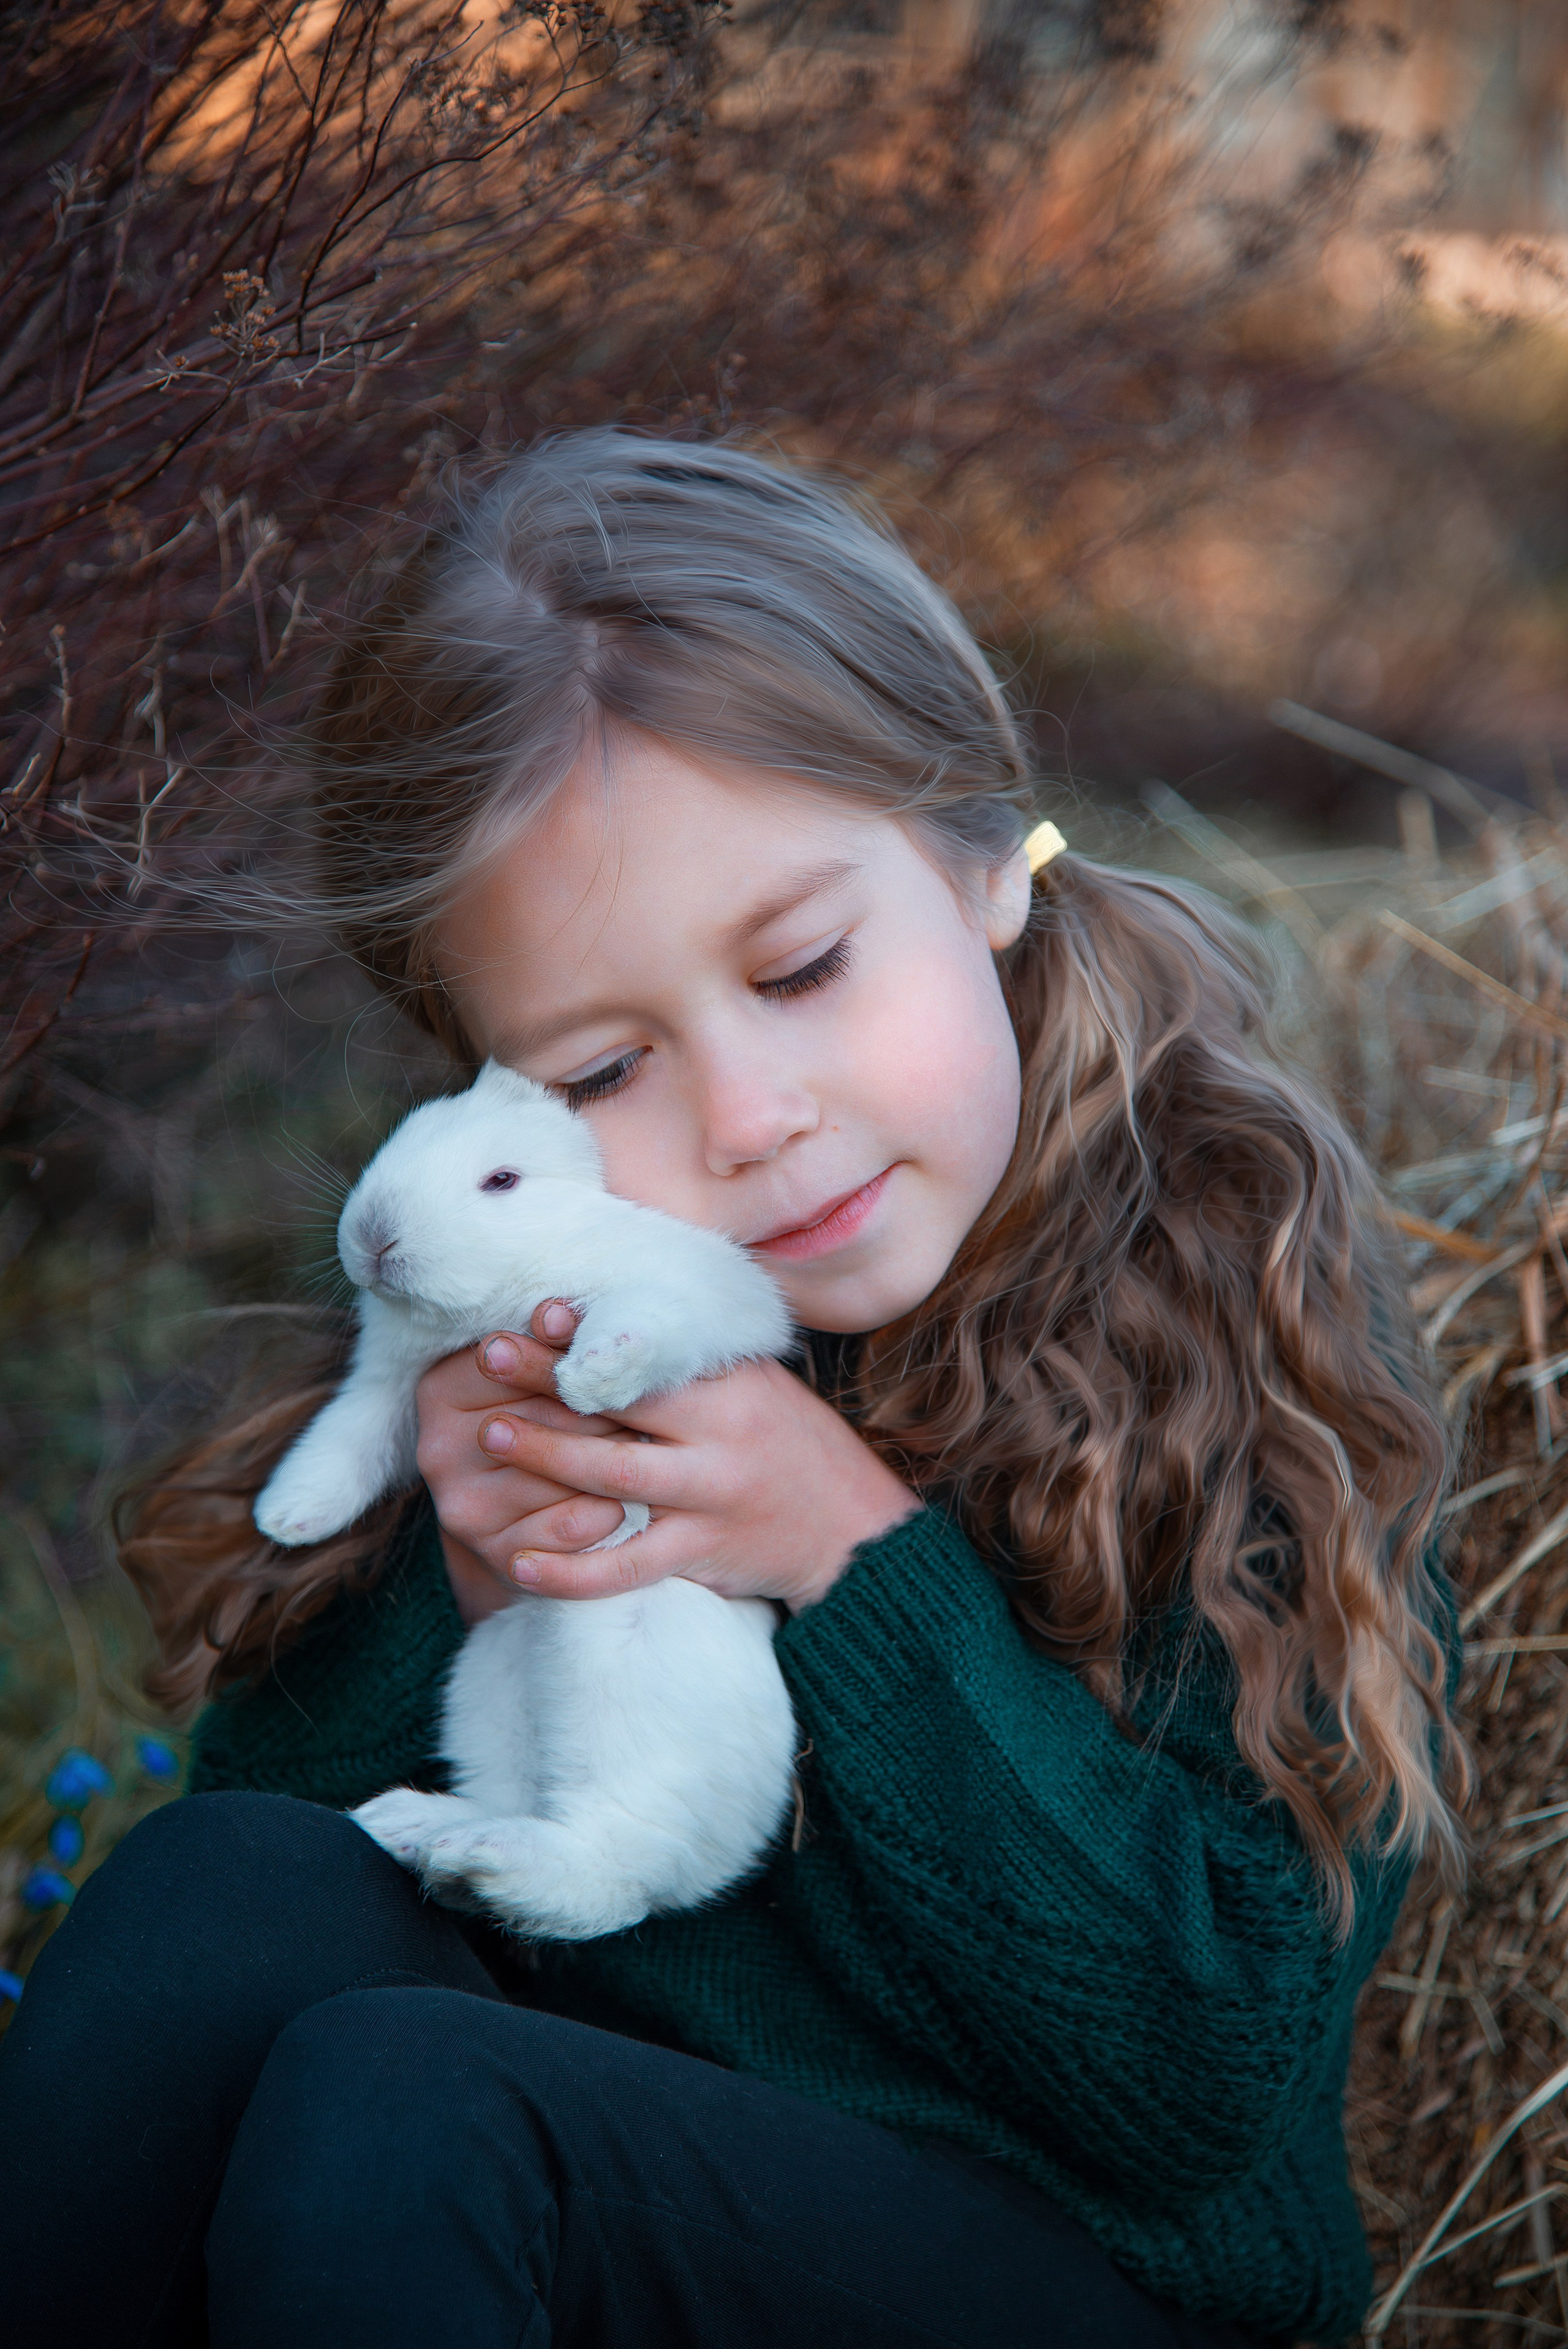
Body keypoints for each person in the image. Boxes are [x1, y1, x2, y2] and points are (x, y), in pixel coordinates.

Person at [0, 432, 1464, 2349]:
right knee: (226, 1884)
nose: (752, 1118)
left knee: (418, 2104)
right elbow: (319, 1902)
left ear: (976, 854)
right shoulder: (522, 1343)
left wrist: (848, 1557)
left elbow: (1193, 2086)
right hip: (600, 2204)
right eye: (605, 1072)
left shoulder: (1223, 1309)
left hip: (1083, 2279)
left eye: (803, 965)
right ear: (494, 1098)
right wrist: (473, 1577)